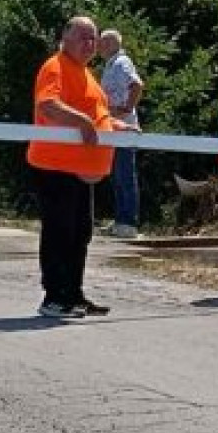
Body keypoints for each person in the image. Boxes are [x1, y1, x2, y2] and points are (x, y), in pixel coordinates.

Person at [27, 16, 127, 319]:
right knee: (60, 231)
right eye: (83, 37)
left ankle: (73, 293)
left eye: (93, 39)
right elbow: (48, 105)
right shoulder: (54, 66)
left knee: (81, 232)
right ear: (65, 37)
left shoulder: (86, 74)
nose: (90, 44)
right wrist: (83, 122)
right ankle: (54, 298)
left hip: (81, 170)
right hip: (55, 166)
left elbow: (95, 114)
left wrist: (114, 126)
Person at [97, 28, 144, 238]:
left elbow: (136, 84)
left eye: (102, 42)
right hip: (113, 128)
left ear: (112, 44)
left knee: (124, 175)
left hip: (124, 128)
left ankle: (128, 223)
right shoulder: (111, 64)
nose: (99, 47)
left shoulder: (121, 62)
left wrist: (125, 109)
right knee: (117, 175)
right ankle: (121, 220)